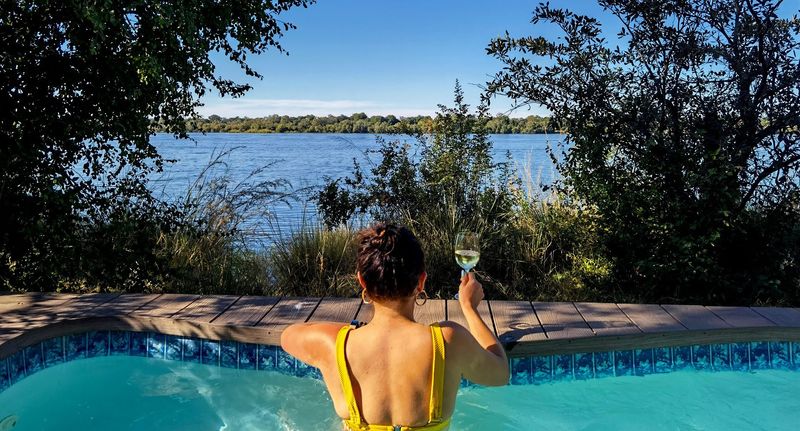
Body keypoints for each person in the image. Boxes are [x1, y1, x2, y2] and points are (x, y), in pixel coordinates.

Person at [281, 223, 509, 430]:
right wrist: (469, 308)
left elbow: (287, 336)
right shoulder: (448, 340)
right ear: (421, 281)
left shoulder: (333, 344)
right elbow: (501, 374)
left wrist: (352, 330)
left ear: (362, 281)